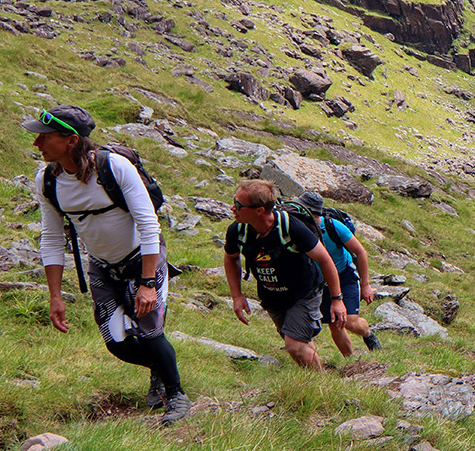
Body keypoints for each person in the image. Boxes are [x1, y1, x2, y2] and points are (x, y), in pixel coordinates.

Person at [28, 105, 191, 425]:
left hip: (143, 259)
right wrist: (55, 296)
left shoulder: (115, 168)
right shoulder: (47, 180)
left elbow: (148, 225)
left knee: (150, 333)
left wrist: (147, 284)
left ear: (71, 140)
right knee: (117, 344)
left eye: (44, 137)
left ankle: (176, 395)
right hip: (102, 266)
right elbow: (50, 238)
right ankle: (160, 368)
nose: (37, 144)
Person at [224, 180, 346, 371]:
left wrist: (337, 299)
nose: (233, 208)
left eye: (239, 205)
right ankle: (315, 380)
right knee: (299, 344)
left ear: (259, 210)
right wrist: (237, 296)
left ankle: (321, 387)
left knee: (294, 345)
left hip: (304, 293)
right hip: (272, 297)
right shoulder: (237, 230)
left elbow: (325, 259)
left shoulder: (291, 227)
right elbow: (231, 258)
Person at [294, 191, 380, 356]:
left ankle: (368, 334)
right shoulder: (297, 228)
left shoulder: (332, 226)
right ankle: (351, 361)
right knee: (335, 322)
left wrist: (366, 284)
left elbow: (360, 252)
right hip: (319, 281)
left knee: (351, 322)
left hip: (344, 275)